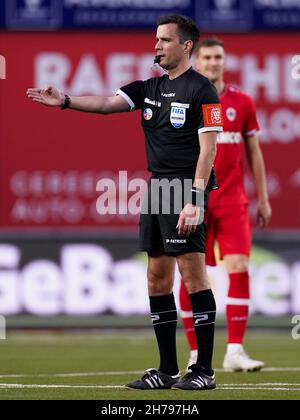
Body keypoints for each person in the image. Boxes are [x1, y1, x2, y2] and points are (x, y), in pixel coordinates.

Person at [27, 15, 223, 391]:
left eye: (165, 40)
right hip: (157, 188)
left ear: (186, 46)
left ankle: (204, 371)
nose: (157, 46)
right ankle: (167, 370)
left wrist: (195, 199)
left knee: (193, 276)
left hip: (185, 189)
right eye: (156, 39)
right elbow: (104, 103)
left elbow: (209, 149)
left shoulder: (202, 91)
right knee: (156, 278)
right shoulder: (149, 87)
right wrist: (65, 101)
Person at [179, 38, 272, 373]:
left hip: (233, 200)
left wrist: (262, 197)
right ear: (197, 60)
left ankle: (234, 350)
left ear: (224, 61)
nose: (214, 62)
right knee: (191, 275)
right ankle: (194, 354)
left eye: (218, 57)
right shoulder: (184, 98)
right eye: (207, 57)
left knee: (239, 267)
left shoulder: (242, 102)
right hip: (195, 199)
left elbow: (254, 153)